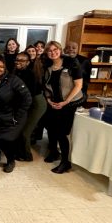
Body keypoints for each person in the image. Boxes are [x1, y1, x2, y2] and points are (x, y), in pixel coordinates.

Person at [0, 55, 31, 173]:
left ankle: (11, 160)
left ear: (5, 68)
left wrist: (17, 116)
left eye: (1, 67)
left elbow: (27, 99)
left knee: (7, 139)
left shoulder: (13, 80)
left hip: (14, 115)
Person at [43, 41, 84, 174]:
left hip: (68, 104)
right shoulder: (48, 66)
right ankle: (54, 152)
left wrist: (66, 101)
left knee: (61, 133)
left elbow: (78, 85)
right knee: (51, 129)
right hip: (53, 103)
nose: (52, 52)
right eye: (49, 51)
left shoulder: (71, 63)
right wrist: (49, 100)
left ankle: (65, 162)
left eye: (55, 50)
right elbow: (46, 86)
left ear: (60, 50)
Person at [14, 52, 47, 161]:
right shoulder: (17, 72)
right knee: (20, 129)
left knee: (25, 131)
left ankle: (27, 155)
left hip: (36, 104)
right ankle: (20, 152)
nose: (18, 62)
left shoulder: (30, 74)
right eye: (17, 59)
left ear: (28, 63)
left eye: (22, 60)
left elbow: (28, 95)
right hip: (26, 103)